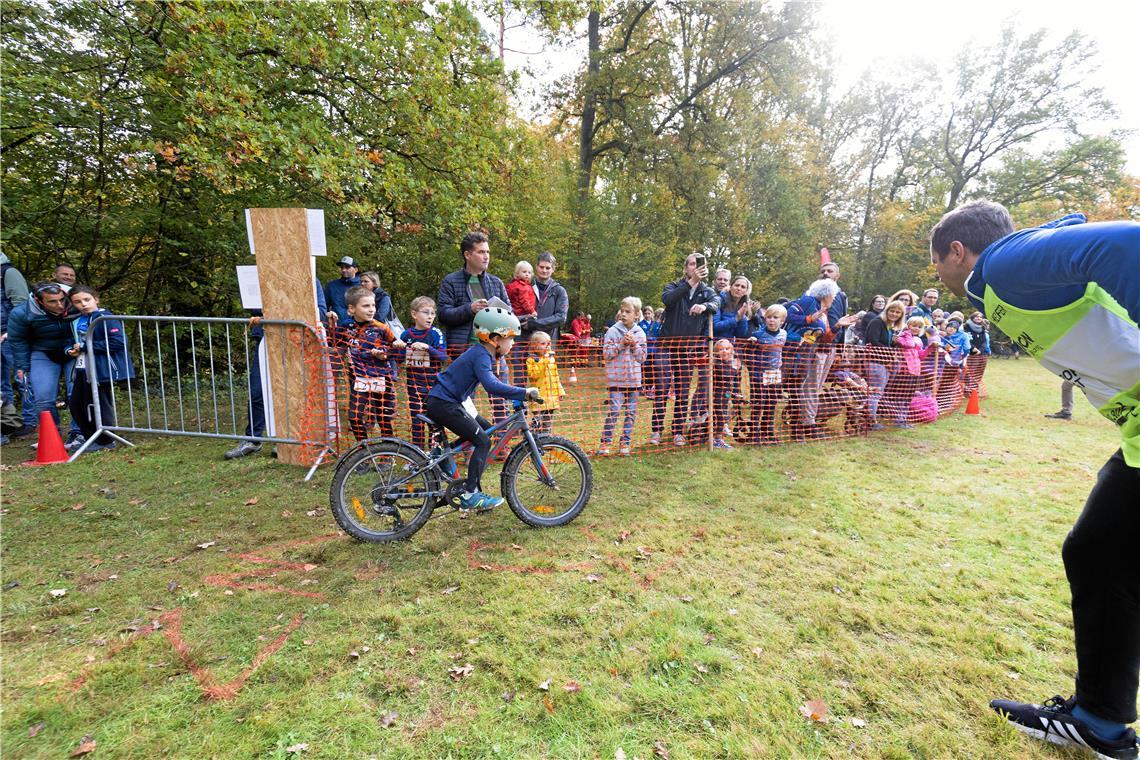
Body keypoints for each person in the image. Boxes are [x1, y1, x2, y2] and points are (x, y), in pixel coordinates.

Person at [930, 200, 1139, 758]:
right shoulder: (1014, 274)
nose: (939, 278)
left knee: (1098, 552)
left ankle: (1102, 718)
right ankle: (1100, 718)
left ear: (957, 251)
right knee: (1097, 552)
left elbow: (1127, 245)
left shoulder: (1001, 266)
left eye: (937, 265)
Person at [425, 307, 539, 512]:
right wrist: (524, 392)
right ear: (495, 338)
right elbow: (492, 386)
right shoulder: (481, 356)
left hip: (448, 400)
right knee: (483, 440)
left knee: (486, 429)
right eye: (510, 338)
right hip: (444, 403)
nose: (513, 344)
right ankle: (470, 495)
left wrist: (515, 396)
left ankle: (441, 455)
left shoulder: (481, 353)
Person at [224, 281, 329, 460]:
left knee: (291, 392)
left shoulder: (310, 276)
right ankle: (252, 439)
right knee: (257, 390)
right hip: (266, 339)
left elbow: (320, 312)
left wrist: (289, 310)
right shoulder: (260, 275)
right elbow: (255, 310)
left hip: (295, 343)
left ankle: (285, 440)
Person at [651, 253, 719, 446]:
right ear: (685, 268)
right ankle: (656, 430)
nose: (694, 268)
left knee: (682, 390)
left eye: (698, 265)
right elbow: (668, 300)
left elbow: (716, 304)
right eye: (691, 264)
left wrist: (705, 307)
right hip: (666, 345)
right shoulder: (674, 286)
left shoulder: (707, 291)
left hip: (688, 348)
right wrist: (690, 283)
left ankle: (678, 431)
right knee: (662, 388)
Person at [64, 286, 134, 452]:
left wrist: (85, 346)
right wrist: (69, 350)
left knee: (99, 405)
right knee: (76, 405)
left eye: (86, 300)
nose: (83, 304)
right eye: (78, 302)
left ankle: (105, 441)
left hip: (101, 369)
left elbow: (118, 342)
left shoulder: (105, 318)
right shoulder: (76, 321)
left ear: (96, 299)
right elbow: (70, 342)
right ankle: (91, 439)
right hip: (81, 368)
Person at [5, 282, 78, 440]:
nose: (59, 304)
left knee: (77, 392)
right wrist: (22, 367)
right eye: (52, 301)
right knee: (43, 397)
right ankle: (52, 436)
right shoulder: (21, 313)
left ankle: (78, 432)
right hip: (43, 351)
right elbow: (18, 341)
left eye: (61, 299)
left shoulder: (75, 302)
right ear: (39, 301)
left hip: (74, 350)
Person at [339, 285, 404, 441]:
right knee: (354, 417)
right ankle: (364, 450)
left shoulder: (382, 328)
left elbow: (397, 352)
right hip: (358, 378)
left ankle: (387, 453)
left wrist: (385, 354)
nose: (371, 309)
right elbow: (334, 342)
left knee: (383, 417)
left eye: (373, 305)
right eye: (366, 305)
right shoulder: (345, 327)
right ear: (352, 309)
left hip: (381, 378)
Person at [437, 231, 511, 354]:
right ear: (467, 255)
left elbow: (510, 314)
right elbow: (443, 315)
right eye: (481, 252)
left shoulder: (496, 282)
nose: (486, 256)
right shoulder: (450, 281)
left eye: (487, 252)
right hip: (463, 351)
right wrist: (470, 309)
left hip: (493, 349)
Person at [399, 296, 447, 450]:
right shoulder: (406, 335)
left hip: (433, 383)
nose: (430, 316)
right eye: (426, 312)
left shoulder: (435, 333)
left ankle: (436, 452)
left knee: (435, 418)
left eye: (433, 313)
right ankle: (417, 453)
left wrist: (427, 348)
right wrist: (398, 348)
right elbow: (399, 358)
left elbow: (443, 356)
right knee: (417, 418)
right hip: (413, 383)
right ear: (414, 314)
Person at [599, 297, 646, 456]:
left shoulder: (641, 333)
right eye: (622, 311)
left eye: (628, 312)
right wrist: (621, 344)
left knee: (631, 413)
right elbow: (606, 354)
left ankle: (625, 442)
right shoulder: (612, 331)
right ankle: (605, 443)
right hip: (616, 380)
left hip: (634, 381)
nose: (623, 314)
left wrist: (633, 344)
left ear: (637, 315)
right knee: (614, 411)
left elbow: (642, 358)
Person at [1, 252, 35, 441]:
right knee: (1, 385)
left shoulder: (8, 272)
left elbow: (21, 305)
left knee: (23, 378)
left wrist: (10, 332)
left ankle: (30, 421)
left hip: (10, 335)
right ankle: (9, 424)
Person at [746, 304, 787, 444]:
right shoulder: (758, 334)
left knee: (771, 402)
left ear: (782, 321)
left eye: (775, 318)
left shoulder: (784, 334)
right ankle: (754, 432)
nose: (771, 320)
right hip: (759, 373)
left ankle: (767, 431)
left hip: (774, 372)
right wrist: (751, 344)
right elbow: (748, 353)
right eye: (769, 317)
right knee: (759, 402)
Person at [864, 300, 905, 430]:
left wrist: (893, 343)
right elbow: (873, 341)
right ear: (886, 311)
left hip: (884, 362)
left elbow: (885, 344)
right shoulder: (877, 322)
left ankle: (870, 418)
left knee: (878, 392)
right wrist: (891, 352)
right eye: (892, 311)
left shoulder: (889, 326)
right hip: (875, 361)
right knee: (875, 392)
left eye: (898, 312)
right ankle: (870, 421)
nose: (894, 314)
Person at [892, 315, 938, 428]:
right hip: (904, 371)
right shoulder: (902, 337)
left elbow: (921, 355)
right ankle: (899, 419)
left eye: (919, 327)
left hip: (915, 371)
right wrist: (907, 332)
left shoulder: (916, 340)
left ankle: (903, 418)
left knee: (908, 396)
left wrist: (930, 348)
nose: (916, 328)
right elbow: (908, 344)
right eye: (914, 326)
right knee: (901, 396)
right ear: (908, 325)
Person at [525, 331, 564, 435]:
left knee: (548, 421)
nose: (547, 346)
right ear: (534, 345)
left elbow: (556, 376)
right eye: (543, 344)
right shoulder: (531, 360)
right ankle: (532, 439)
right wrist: (544, 361)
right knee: (537, 421)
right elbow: (534, 375)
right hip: (539, 397)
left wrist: (560, 391)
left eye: (548, 343)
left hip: (551, 397)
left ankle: (547, 440)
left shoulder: (551, 359)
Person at [710, 338, 741, 450]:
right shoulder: (716, 364)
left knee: (723, 416)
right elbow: (726, 375)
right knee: (720, 416)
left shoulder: (730, 363)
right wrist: (735, 368)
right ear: (716, 352)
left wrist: (734, 394)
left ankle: (716, 437)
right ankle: (717, 439)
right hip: (716, 395)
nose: (724, 351)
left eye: (727, 349)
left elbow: (733, 380)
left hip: (725, 395)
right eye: (721, 349)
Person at [324, 256, 361, 326]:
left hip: (358, 328)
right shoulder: (332, 285)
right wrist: (328, 314)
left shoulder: (362, 285)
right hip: (336, 328)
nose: (343, 270)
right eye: (342, 267)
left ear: (356, 269)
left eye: (347, 267)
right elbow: (324, 307)